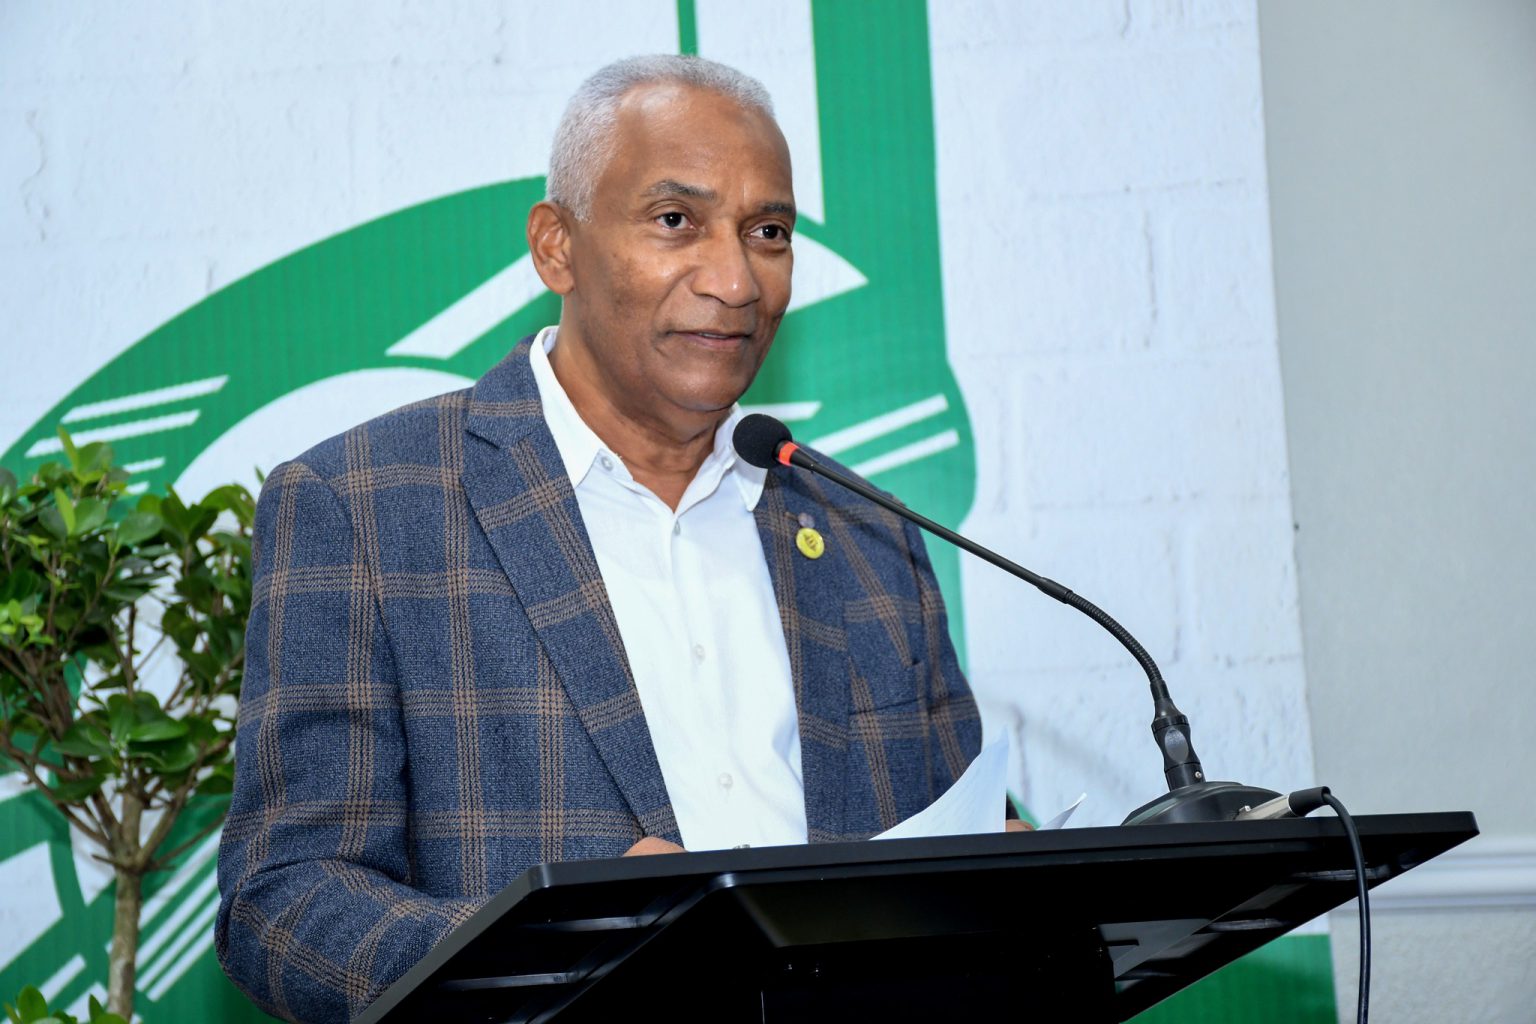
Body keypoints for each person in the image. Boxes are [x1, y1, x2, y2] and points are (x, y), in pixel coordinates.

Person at [216, 55, 994, 1024]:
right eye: (676, 221)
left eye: (768, 233)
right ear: (558, 247)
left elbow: (963, 843)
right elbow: (283, 900)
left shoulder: (865, 529)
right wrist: (559, 947)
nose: (735, 280)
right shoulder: (365, 506)